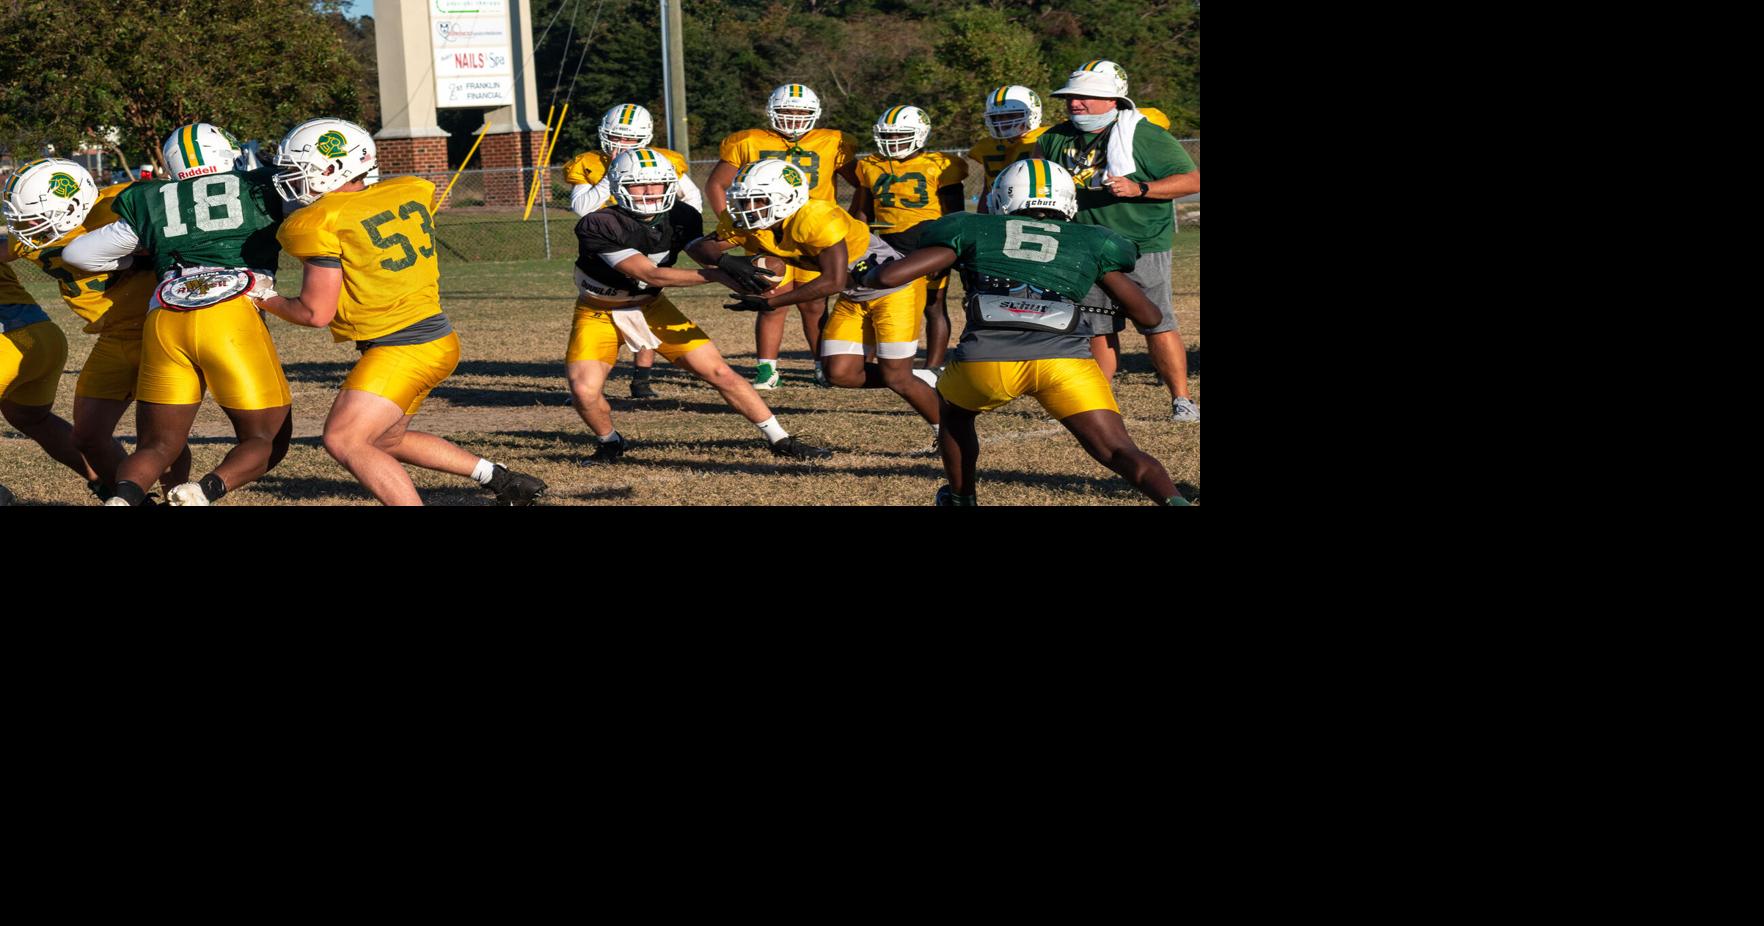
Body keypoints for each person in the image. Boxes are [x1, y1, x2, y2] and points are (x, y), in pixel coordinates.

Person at [254, 117, 547, 506]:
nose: (290, 180)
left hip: (401, 347)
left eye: (298, 171)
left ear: (331, 169)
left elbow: (314, 312)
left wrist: (263, 297)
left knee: (344, 438)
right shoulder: (405, 191)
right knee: (386, 439)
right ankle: (501, 480)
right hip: (436, 339)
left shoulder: (321, 220)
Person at [866, 159, 1189, 505]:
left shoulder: (972, 228)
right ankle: (1175, 501)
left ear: (1004, 197)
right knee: (1118, 450)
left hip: (986, 362)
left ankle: (961, 497)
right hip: (1065, 364)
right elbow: (1150, 316)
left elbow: (888, 278)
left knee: (954, 415)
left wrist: (865, 274)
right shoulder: (1092, 240)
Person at [64, 122, 295, 506]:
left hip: (165, 314)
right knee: (265, 440)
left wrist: (139, 254)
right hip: (231, 315)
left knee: (158, 445)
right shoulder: (260, 185)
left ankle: (122, 499)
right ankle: (202, 491)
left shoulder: (153, 198)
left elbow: (78, 255)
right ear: (226, 154)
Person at [563, 148, 829, 464]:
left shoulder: (682, 214)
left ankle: (780, 439)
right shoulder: (598, 223)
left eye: (657, 184)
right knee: (584, 390)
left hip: (651, 307)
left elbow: (700, 249)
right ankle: (610, 441)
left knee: (720, 372)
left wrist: (731, 261)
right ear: (619, 185)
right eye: (638, 185)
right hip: (599, 311)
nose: (648, 192)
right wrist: (721, 274)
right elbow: (649, 273)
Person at [688, 159, 940, 448]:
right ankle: (922, 379)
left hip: (894, 291)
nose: (747, 208)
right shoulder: (754, 221)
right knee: (840, 373)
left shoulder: (816, 216)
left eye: (756, 200)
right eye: (743, 201)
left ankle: (945, 431)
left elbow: (832, 281)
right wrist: (727, 261)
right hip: (855, 293)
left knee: (896, 377)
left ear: (787, 198)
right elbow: (698, 246)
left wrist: (773, 303)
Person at [2, 157, 188, 502]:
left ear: (71, 205)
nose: (26, 226)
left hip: (159, 329)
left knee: (160, 435)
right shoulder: (33, 232)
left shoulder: (127, 201)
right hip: (111, 336)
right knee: (87, 436)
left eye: (33, 216)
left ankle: (181, 498)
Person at [1035, 59, 1201, 422]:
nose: (1075, 103)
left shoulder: (1145, 134)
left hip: (1141, 243)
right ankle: (1096, 400)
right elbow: (1039, 179)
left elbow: (1193, 180)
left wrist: (1140, 188)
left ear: (1113, 100)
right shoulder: (1053, 138)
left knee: (1156, 323)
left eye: (1085, 97)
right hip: (1085, 245)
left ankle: (1182, 400)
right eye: (1071, 97)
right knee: (1097, 326)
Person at [703, 84, 859, 389]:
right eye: (787, 111)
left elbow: (862, 183)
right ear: (771, 112)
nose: (794, 118)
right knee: (772, 297)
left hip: (813, 232)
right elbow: (716, 184)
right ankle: (766, 369)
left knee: (814, 304)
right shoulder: (749, 140)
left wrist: (850, 218)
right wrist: (736, 221)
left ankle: (821, 364)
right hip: (766, 229)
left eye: (801, 112)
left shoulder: (831, 141)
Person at [561, 103, 705, 399]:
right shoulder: (590, 162)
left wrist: (675, 228)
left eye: (628, 139)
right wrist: (607, 177)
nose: (619, 144)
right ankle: (593, 379)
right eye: (615, 136)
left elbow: (690, 195)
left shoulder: (660, 161)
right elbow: (581, 208)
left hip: (647, 237)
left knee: (646, 303)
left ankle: (641, 380)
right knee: (604, 307)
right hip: (605, 241)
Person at [849, 105, 967, 373]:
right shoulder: (870, 165)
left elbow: (956, 215)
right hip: (887, 242)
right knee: (874, 298)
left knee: (932, 304)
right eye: (887, 136)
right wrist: (858, 240)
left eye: (899, 135)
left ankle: (933, 366)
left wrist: (949, 248)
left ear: (920, 134)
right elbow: (862, 210)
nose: (892, 142)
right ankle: (867, 359)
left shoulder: (940, 165)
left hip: (929, 242)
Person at [967, 85, 1050, 211]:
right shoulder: (988, 145)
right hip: (996, 208)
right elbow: (988, 185)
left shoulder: (1047, 138)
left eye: (1011, 115)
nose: (1003, 122)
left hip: (1035, 207)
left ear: (1033, 114)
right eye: (998, 117)